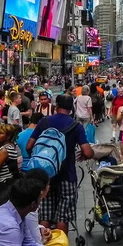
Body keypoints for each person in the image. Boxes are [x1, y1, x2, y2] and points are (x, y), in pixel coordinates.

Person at [26, 94, 94, 236]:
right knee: (63, 216)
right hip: (67, 175)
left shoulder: (44, 122)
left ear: (56, 106)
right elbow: (87, 152)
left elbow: (29, 146)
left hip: (46, 176)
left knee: (45, 214)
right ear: (72, 108)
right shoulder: (76, 126)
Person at [0, 179, 54, 246]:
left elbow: (32, 245)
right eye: (40, 198)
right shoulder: (8, 226)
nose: (41, 201)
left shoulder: (17, 213)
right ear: (33, 204)